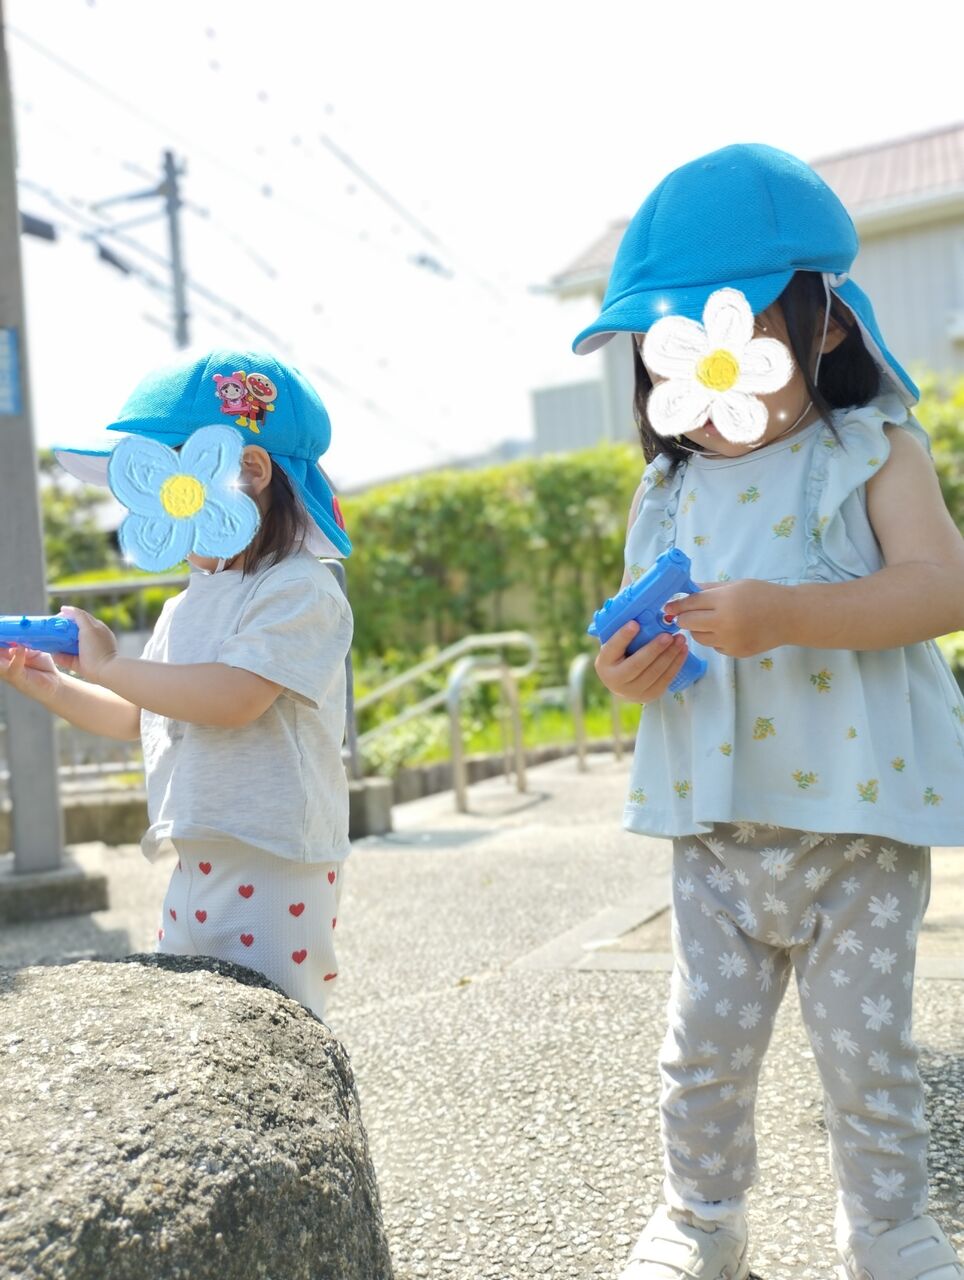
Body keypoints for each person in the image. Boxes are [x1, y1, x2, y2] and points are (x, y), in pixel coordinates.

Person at [578, 145, 964, 1280]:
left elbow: (943, 586)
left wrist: (788, 612)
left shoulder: (870, 450)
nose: (702, 377)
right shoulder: (666, 490)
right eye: (672, 351)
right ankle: (700, 1217)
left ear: (824, 326)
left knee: (867, 1052)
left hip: (858, 821)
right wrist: (630, 670)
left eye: (730, 336)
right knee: (702, 1047)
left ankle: (888, 1226)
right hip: (716, 822)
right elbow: (649, 640)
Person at [0, 350, 354, 1024]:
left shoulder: (298, 587)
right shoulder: (186, 604)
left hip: (274, 855)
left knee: (274, 1025)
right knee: (193, 1025)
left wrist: (109, 664)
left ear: (251, 471)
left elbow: (234, 698)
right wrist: (53, 686)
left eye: (164, 483)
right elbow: (139, 715)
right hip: (197, 853)